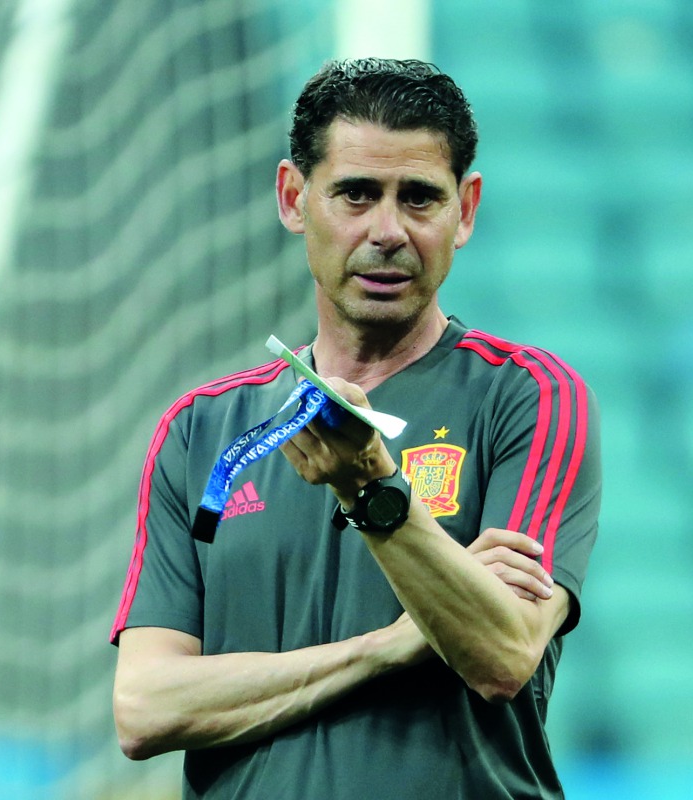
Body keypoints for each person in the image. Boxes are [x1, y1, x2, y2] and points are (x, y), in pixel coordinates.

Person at [109, 58, 601, 799]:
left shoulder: (527, 397)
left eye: (420, 199)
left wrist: (371, 486)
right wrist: (392, 646)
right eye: (356, 194)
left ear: (465, 211)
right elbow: (144, 707)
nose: (388, 231)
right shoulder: (200, 431)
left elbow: (502, 652)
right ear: (293, 197)